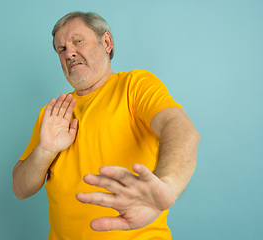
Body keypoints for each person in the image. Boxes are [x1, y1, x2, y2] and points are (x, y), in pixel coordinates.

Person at [13, 11, 200, 240]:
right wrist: (45, 150)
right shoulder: (53, 113)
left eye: (77, 41)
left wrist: (167, 186)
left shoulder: (134, 86)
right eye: (61, 49)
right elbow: (21, 189)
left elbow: (179, 128)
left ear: (107, 42)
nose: (69, 52)